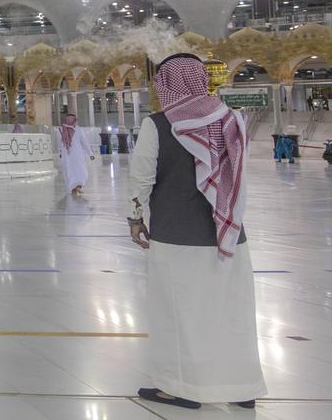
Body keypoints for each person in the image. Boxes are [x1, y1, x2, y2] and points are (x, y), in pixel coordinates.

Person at [128, 54, 266, 409]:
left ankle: (180, 387)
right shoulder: (232, 119)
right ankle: (241, 386)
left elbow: (141, 179)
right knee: (230, 310)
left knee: (179, 311)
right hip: (229, 235)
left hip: (177, 237)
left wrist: (134, 218)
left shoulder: (158, 125)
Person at [59, 114, 94, 195]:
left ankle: (74, 188)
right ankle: (78, 187)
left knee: (70, 171)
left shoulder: (62, 129)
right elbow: (84, 142)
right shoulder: (78, 129)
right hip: (77, 155)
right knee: (81, 171)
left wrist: (61, 152)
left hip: (66, 155)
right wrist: (90, 153)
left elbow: (61, 143)